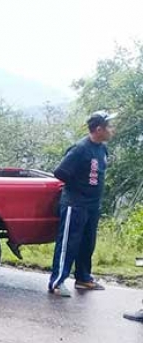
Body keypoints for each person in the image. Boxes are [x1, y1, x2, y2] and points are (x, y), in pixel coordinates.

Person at [48, 111, 116, 297]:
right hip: (75, 204)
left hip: (92, 205)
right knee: (68, 243)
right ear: (99, 129)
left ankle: (83, 278)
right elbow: (60, 171)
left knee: (87, 243)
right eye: (109, 126)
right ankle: (57, 281)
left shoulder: (101, 148)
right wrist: (79, 188)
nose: (112, 130)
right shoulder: (80, 149)